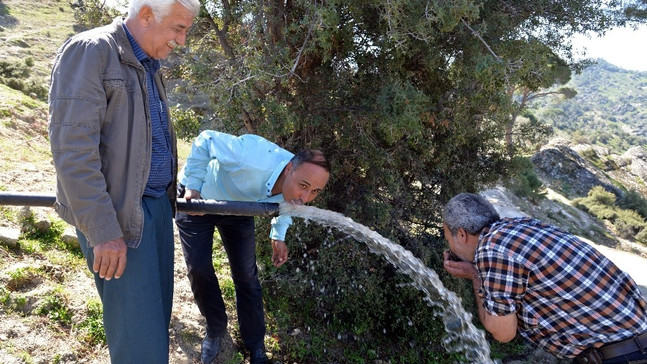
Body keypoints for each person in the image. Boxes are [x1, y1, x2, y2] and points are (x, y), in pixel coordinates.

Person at [48, 0, 200, 362]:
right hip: (119, 220)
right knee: (140, 346)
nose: (182, 40)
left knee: (152, 329)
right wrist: (103, 231)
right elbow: (72, 152)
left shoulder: (149, 62)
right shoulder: (91, 51)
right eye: (178, 28)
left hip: (156, 211)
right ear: (146, 14)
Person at [175, 130, 331, 364]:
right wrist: (194, 187)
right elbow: (206, 138)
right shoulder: (251, 157)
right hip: (198, 199)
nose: (306, 196)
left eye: (315, 192)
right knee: (199, 269)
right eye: (304, 186)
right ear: (289, 169)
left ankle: (256, 347)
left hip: (239, 207)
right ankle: (216, 330)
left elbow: (288, 203)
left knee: (247, 275)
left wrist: (278, 234)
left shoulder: (297, 181)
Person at [441, 193, 647, 364]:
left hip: (623, 356)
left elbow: (503, 332)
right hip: (635, 343)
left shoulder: (492, 249)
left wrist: (476, 276)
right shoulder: (519, 227)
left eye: (448, 239)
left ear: (461, 234)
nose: (450, 247)